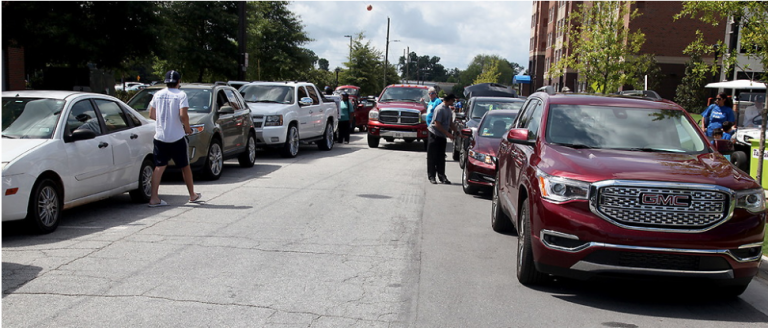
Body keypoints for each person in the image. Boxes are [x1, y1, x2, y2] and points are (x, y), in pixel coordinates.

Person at [147, 70, 203, 207]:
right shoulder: (181, 95)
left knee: (159, 166)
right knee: (185, 166)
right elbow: (183, 115)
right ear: (179, 82)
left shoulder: (158, 94)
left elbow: (151, 114)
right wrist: (187, 127)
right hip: (177, 136)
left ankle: (154, 197)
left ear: (166, 82)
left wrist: (163, 121)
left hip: (160, 136)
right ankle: (192, 195)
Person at [427, 93, 460, 184]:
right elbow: (437, 124)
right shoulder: (439, 109)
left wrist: (457, 132)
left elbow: (450, 123)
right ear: (448, 100)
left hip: (442, 136)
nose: (453, 102)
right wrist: (448, 134)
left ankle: (442, 176)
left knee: (441, 157)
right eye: (453, 100)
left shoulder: (448, 110)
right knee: (432, 157)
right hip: (434, 134)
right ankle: (431, 176)